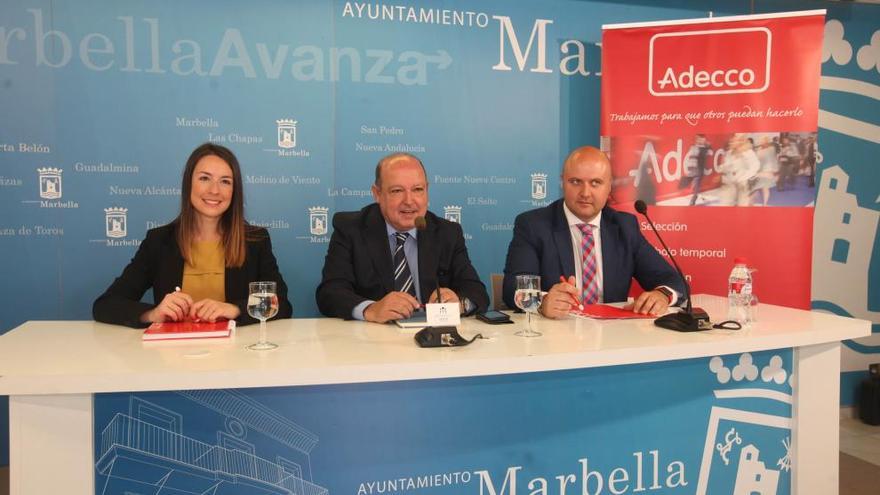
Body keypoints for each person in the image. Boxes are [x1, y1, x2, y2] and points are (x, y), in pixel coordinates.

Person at [93, 143, 292, 328]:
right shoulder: (159, 241)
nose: (214, 190)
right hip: (173, 357)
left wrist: (235, 309)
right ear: (189, 184)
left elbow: (282, 304)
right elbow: (106, 305)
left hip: (236, 355)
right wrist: (153, 314)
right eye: (204, 178)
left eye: (225, 181)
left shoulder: (256, 240)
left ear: (234, 191)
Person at [502, 146, 685, 319]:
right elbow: (513, 288)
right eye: (575, 182)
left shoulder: (624, 227)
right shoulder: (533, 225)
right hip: (555, 336)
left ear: (609, 187)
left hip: (612, 337)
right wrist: (542, 302)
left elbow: (673, 280)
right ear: (562, 182)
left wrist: (661, 295)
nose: (585, 193)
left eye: (595, 183)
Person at [316, 153, 489, 323]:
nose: (409, 200)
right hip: (374, 342)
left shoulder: (447, 233)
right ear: (377, 193)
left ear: (427, 190)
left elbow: (476, 291)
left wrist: (460, 304)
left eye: (417, 189)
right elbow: (330, 292)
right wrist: (370, 309)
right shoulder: (351, 229)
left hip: (434, 341)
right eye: (397, 191)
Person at [719, 134, 760, 206]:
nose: (733, 142)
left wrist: (744, 177)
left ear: (741, 141)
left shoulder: (747, 152)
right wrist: (722, 168)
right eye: (733, 140)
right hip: (730, 185)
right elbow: (729, 166)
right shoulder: (730, 152)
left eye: (736, 140)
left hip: (742, 185)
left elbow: (755, 165)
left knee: (742, 205)